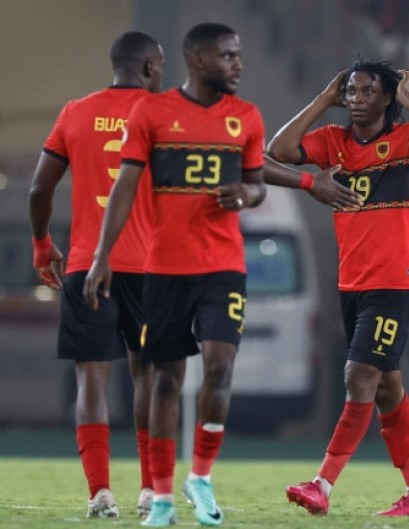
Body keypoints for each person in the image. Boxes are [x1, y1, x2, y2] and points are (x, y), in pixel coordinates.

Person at [83, 23, 267, 528]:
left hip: (224, 268)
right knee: (164, 381)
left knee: (220, 369)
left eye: (240, 54)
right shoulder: (153, 112)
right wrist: (102, 257)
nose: (238, 64)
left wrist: (246, 197)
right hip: (163, 269)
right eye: (229, 56)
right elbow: (124, 188)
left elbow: (257, 184)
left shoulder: (246, 117)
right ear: (200, 60)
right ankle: (161, 497)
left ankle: (200, 476)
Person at [265, 59, 409, 517]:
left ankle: (322, 485)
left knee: (358, 378)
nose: (356, 99)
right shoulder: (333, 143)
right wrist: (322, 100)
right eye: (350, 91)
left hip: (394, 280)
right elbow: (279, 149)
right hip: (352, 282)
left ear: (386, 98)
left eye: (367, 91)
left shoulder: (407, 139)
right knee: (387, 389)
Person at [27, 31, 164, 519]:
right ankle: (151, 490)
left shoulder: (75, 111)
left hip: (88, 266)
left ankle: (100, 492)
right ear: (149, 65)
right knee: (149, 377)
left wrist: (43, 244)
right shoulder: (165, 115)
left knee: (91, 381)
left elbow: (38, 191)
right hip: (151, 268)